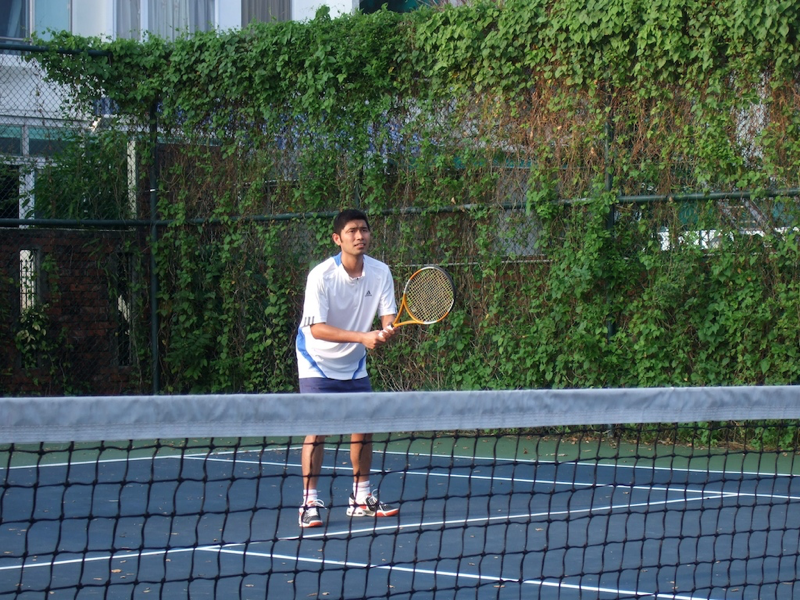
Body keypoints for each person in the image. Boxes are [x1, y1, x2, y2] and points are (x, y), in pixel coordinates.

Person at [295, 208, 400, 528]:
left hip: (353, 362)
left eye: (364, 230)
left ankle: (360, 498)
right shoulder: (321, 276)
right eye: (352, 231)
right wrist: (363, 337)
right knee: (318, 427)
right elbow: (317, 329)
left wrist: (387, 330)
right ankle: (308, 503)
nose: (359, 236)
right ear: (337, 239)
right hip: (316, 359)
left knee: (363, 425)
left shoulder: (381, 272)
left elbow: (388, 316)